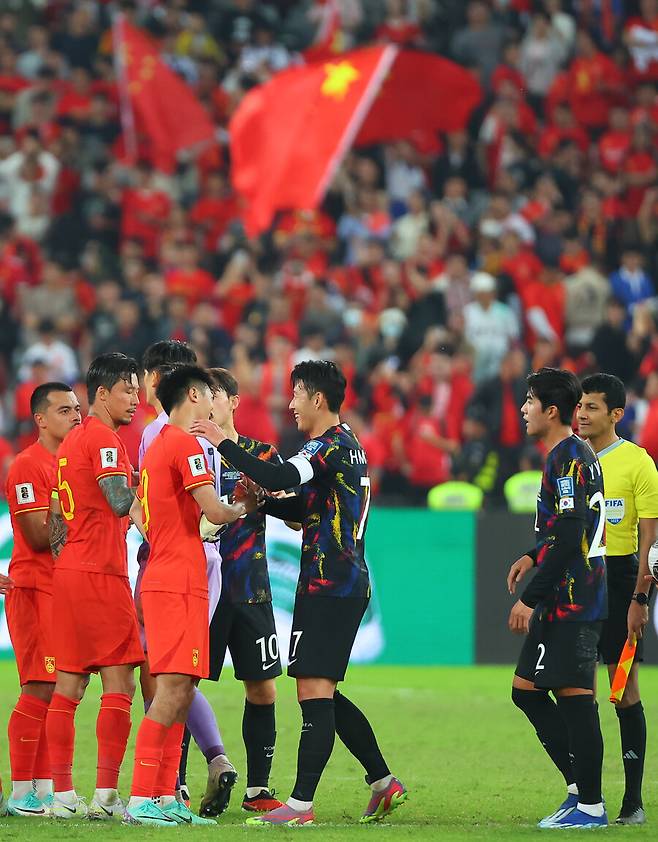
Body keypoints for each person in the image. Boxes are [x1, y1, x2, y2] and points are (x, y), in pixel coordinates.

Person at [191, 360, 406, 826]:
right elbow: (302, 505)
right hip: (332, 583)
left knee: (313, 689)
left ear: (317, 399)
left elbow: (282, 479)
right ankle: (383, 782)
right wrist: (262, 498)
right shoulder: (343, 446)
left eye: (296, 394)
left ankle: (301, 805)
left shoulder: (328, 446)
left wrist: (223, 443)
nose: (289, 404)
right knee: (321, 690)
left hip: (333, 584)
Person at [124, 365, 247, 827]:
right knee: (172, 688)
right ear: (194, 395)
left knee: (182, 688)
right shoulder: (186, 445)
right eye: (211, 394)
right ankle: (142, 797)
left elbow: (143, 509)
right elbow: (212, 511)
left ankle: (163, 796)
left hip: (174, 574)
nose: (216, 402)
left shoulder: (158, 446)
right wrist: (245, 506)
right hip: (177, 579)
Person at [506, 368, 607, 829]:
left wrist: (530, 597)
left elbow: (570, 538)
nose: (523, 409)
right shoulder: (565, 456)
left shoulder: (569, 459)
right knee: (526, 690)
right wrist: (531, 554)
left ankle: (591, 805)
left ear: (550, 410)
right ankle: (576, 788)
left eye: (529, 401)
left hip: (575, 598)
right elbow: (564, 530)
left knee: (574, 696)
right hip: (564, 597)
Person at [45, 353, 144, 819]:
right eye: (128, 390)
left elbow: (55, 517)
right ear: (102, 394)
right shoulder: (105, 439)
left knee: (68, 683)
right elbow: (118, 499)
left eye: (139, 391)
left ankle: (62, 796)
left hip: (68, 573)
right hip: (101, 573)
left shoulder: (71, 440)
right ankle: (105, 797)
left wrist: (68, 563)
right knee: (120, 680)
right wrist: (155, 485)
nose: (136, 400)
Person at [206, 367, 298, 815]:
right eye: (200, 395)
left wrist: (272, 496)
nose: (208, 402)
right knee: (181, 688)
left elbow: (296, 517)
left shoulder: (260, 454)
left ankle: (258, 790)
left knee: (262, 690)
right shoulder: (188, 453)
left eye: (216, 394)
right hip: (200, 589)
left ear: (234, 402)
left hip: (250, 589)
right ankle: (175, 787)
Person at [577, 373, 658, 825]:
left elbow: (651, 538)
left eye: (591, 407)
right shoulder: (570, 457)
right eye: (580, 406)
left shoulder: (637, 463)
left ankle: (633, 800)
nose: (582, 414)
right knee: (577, 690)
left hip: (621, 577)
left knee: (623, 689)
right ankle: (586, 798)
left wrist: (641, 596)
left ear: (616, 415)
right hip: (579, 581)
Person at [4, 382, 81, 817]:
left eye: (76, 408)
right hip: (33, 589)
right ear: (40, 419)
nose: (75, 416)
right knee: (41, 685)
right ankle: (20, 792)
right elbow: (36, 536)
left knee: (60, 690)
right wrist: (75, 515)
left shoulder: (70, 463)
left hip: (64, 589)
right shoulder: (28, 466)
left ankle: (45, 786)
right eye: (64, 409)